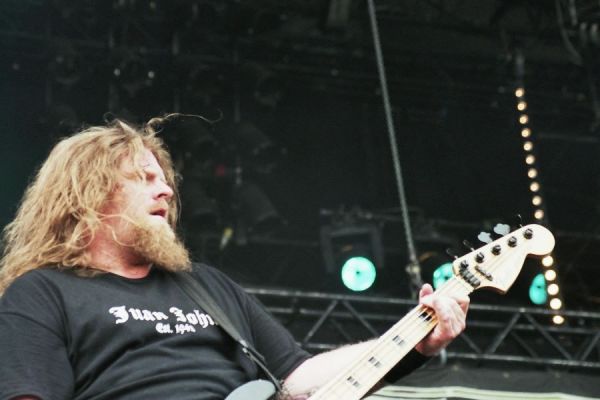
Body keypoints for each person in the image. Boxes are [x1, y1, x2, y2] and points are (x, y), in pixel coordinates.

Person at [0, 118, 469, 400]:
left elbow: (298, 377)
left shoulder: (205, 285)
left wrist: (416, 339)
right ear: (89, 194)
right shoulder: (44, 292)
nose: (166, 190)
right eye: (144, 178)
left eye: (164, 180)